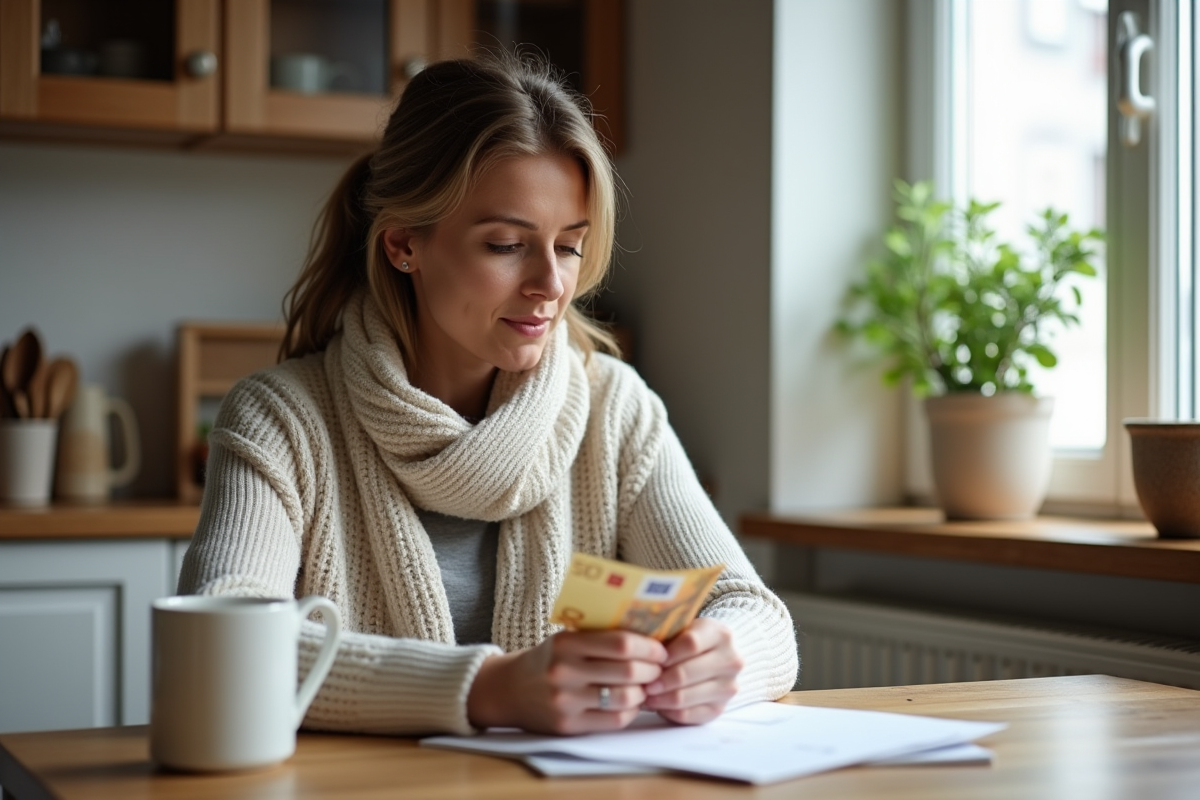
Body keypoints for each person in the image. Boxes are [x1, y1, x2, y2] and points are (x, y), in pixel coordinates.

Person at [178, 52, 798, 737]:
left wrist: (720, 657)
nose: (550, 285)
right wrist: (492, 689)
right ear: (402, 246)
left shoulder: (613, 408)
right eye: (506, 245)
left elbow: (756, 614)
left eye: (568, 246)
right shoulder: (279, 418)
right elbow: (222, 645)